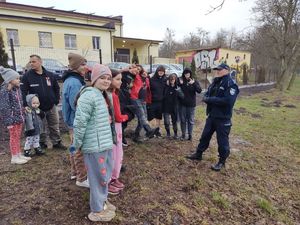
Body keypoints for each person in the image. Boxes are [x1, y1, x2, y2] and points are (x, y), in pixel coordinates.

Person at [73, 64, 116, 222]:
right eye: (102, 78)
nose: (106, 81)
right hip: (94, 145)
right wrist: (76, 144)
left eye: (108, 78)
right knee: (98, 178)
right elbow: (79, 123)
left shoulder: (102, 94)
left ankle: (102, 202)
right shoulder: (88, 95)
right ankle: (97, 210)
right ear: (94, 79)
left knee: (105, 176)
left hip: (104, 143)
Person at [186, 63, 239, 171]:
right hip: (212, 116)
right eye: (216, 69)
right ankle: (198, 154)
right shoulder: (215, 82)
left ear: (227, 70)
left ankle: (222, 162)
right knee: (205, 136)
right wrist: (207, 98)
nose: (217, 71)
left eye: (220, 69)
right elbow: (207, 94)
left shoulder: (231, 84)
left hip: (223, 118)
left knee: (222, 141)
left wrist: (210, 100)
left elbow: (227, 101)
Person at [21, 54, 66, 150]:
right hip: (37, 107)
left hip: (51, 106)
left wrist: (56, 100)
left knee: (54, 124)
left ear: (40, 62)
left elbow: (56, 88)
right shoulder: (27, 76)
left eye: (34, 61)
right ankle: (42, 143)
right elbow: (23, 91)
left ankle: (56, 142)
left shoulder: (50, 75)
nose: (31, 63)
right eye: (30, 62)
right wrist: (25, 104)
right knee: (40, 126)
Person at [62, 53, 89, 188]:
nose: (85, 67)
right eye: (83, 64)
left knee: (73, 147)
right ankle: (82, 177)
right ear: (76, 66)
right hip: (76, 121)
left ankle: (74, 172)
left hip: (71, 121)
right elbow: (76, 104)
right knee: (79, 149)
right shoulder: (74, 82)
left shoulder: (72, 79)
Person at [0, 66, 30, 164]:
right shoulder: (5, 91)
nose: (19, 80)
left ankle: (18, 154)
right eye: (16, 78)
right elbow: (4, 108)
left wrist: (23, 111)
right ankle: (14, 157)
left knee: (17, 137)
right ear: (9, 79)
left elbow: (20, 102)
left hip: (19, 118)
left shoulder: (17, 89)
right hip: (12, 120)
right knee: (13, 137)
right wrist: (8, 121)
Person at [107, 69, 128, 195]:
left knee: (116, 153)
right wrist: (127, 116)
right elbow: (118, 117)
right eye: (118, 79)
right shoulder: (113, 95)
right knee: (115, 153)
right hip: (115, 127)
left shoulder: (112, 93)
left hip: (114, 127)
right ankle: (110, 180)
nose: (120, 82)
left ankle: (114, 178)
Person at [130, 65, 158, 142]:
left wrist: (147, 76)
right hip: (135, 98)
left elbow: (148, 88)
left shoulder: (146, 79)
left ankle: (136, 135)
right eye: (137, 69)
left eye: (139, 69)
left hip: (143, 99)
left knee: (142, 118)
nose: (138, 70)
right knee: (142, 115)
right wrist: (133, 69)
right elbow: (130, 73)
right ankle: (148, 130)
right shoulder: (136, 76)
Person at [178, 68, 202, 141]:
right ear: (183, 74)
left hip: (191, 105)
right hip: (182, 104)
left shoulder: (194, 81)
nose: (187, 75)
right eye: (185, 74)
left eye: (188, 74)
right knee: (183, 120)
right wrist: (180, 84)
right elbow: (177, 89)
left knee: (190, 120)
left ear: (190, 74)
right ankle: (183, 134)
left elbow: (199, 91)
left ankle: (190, 135)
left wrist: (194, 84)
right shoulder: (181, 81)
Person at [119, 65, 137, 146]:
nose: (134, 70)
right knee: (122, 119)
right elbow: (113, 74)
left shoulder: (134, 77)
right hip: (121, 97)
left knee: (126, 119)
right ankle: (121, 139)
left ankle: (121, 137)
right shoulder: (124, 73)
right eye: (132, 67)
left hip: (127, 98)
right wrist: (122, 70)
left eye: (136, 69)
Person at [148, 65, 167, 137]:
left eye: (162, 71)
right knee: (150, 117)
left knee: (158, 117)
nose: (161, 72)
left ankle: (157, 131)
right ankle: (150, 131)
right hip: (152, 101)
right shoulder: (152, 79)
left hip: (161, 102)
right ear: (157, 71)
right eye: (159, 71)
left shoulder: (165, 80)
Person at [162, 73, 180, 139]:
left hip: (174, 107)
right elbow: (164, 95)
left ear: (175, 80)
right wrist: (167, 86)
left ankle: (175, 134)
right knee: (166, 121)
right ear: (169, 80)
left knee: (174, 121)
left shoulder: (177, 87)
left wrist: (176, 89)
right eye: (171, 79)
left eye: (174, 79)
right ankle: (168, 133)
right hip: (166, 106)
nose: (172, 80)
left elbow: (181, 96)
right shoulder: (166, 86)